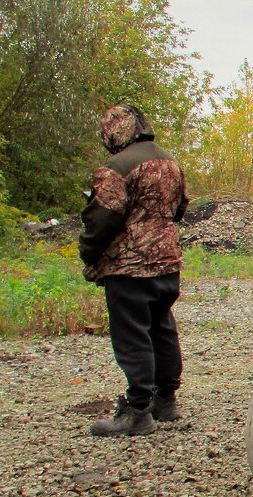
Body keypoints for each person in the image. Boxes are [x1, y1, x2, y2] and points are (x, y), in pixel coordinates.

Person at [79, 104, 189, 436]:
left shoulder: (117, 167)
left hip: (130, 266)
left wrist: (88, 253)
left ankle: (138, 410)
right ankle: (165, 400)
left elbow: (102, 218)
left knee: (133, 333)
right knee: (161, 327)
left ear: (114, 131)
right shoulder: (170, 161)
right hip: (167, 263)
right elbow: (181, 207)